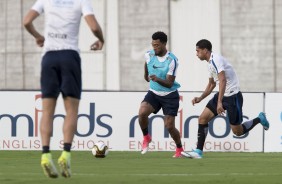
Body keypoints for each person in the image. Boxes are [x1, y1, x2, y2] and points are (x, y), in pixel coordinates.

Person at [23, 0, 104, 178]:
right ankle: (66, 154)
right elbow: (94, 27)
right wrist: (100, 39)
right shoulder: (81, 2)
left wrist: (38, 36)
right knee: (71, 110)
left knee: (47, 111)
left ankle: (45, 155)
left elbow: (26, 21)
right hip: (69, 56)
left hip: (49, 57)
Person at [181, 39, 269, 159]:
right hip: (222, 95)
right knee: (202, 119)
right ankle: (198, 152)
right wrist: (200, 98)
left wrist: (219, 102)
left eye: (198, 51)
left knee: (238, 132)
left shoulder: (216, 59)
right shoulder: (209, 64)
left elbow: (223, 80)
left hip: (233, 97)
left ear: (205, 50)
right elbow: (212, 84)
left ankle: (260, 119)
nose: (196, 54)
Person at [138, 31, 184, 158]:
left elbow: (170, 83)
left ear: (164, 44)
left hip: (169, 95)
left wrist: (156, 78)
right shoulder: (149, 54)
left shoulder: (172, 60)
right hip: (154, 93)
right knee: (142, 113)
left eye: (157, 45)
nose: (154, 47)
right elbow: (147, 64)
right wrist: (146, 75)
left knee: (169, 126)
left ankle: (179, 148)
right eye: (153, 45)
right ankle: (146, 137)